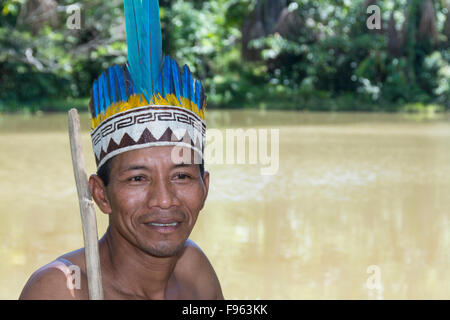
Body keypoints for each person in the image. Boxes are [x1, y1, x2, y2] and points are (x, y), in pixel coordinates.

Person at [19, 0, 223, 300]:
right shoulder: (63, 289)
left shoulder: (193, 271)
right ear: (101, 194)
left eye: (181, 176)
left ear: (204, 187)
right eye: (137, 178)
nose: (164, 200)